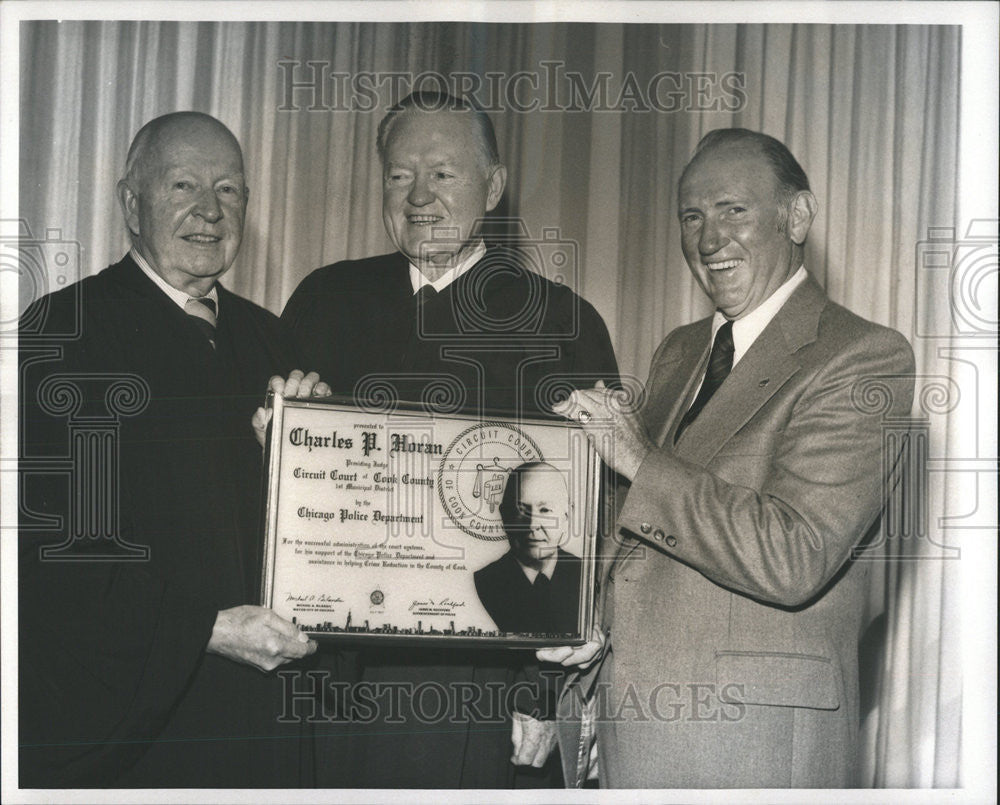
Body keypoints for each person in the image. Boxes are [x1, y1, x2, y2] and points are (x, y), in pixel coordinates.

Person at [539, 128, 916, 788]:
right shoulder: (681, 350)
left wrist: (636, 456)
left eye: (733, 210)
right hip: (631, 732)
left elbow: (795, 552)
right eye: (692, 215)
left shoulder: (863, 356)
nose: (709, 239)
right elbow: (645, 541)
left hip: (751, 745)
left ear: (796, 216)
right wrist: (591, 620)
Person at [281, 91, 619, 788]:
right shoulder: (324, 301)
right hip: (329, 677)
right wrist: (279, 431)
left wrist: (542, 694)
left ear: (492, 187)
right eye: (400, 176)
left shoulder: (561, 322)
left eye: (443, 174)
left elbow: (594, 523)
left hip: (486, 692)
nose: (419, 198)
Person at [18, 112, 325, 787]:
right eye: (183, 185)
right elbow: (61, 552)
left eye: (230, 190)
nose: (210, 211)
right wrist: (205, 630)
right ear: (132, 204)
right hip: (146, 730)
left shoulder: (273, 342)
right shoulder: (69, 332)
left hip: (265, 723)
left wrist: (311, 453)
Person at [475, 462, 581, 635]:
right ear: (505, 517)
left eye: (545, 510)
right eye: (521, 511)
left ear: (567, 516)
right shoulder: (485, 580)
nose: (532, 525)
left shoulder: (585, 576)